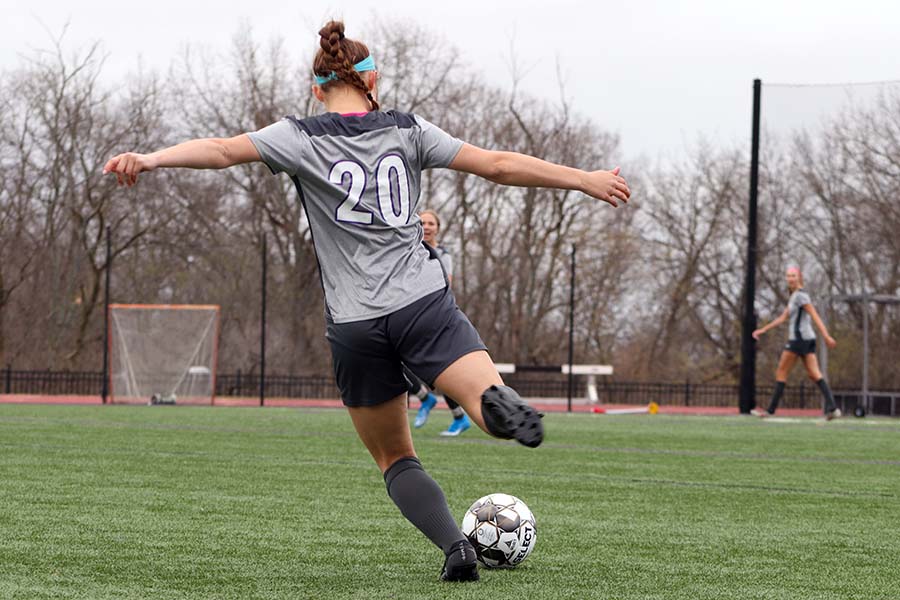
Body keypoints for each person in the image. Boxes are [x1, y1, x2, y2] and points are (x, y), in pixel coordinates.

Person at [103, 20, 630, 581]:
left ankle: (456, 547)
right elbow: (497, 164)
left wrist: (152, 158)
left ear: (316, 89)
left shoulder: (299, 136)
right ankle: (497, 407)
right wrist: (583, 178)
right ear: (373, 78)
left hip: (355, 323)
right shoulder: (408, 129)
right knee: (484, 394)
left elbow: (220, 151)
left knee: (396, 457)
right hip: (421, 303)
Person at [410, 209, 471, 436]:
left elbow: (445, 283)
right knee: (394, 362)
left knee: (441, 368)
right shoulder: (408, 250)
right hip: (410, 313)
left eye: (430, 223)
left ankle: (459, 418)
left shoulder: (443, 254)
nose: (426, 227)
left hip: (434, 315)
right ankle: (425, 398)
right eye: (422, 223)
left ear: (438, 227)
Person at [751, 267, 839, 419]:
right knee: (814, 374)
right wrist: (763, 329)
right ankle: (833, 408)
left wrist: (826, 336)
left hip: (799, 340)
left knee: (781, 372)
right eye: (788, 276)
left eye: (793, 275)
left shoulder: (801, 296)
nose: (790, 278)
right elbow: (783, 318)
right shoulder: (794, 296)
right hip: (807, 340)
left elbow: (815, 315)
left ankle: (770, 411)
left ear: (799, 277)